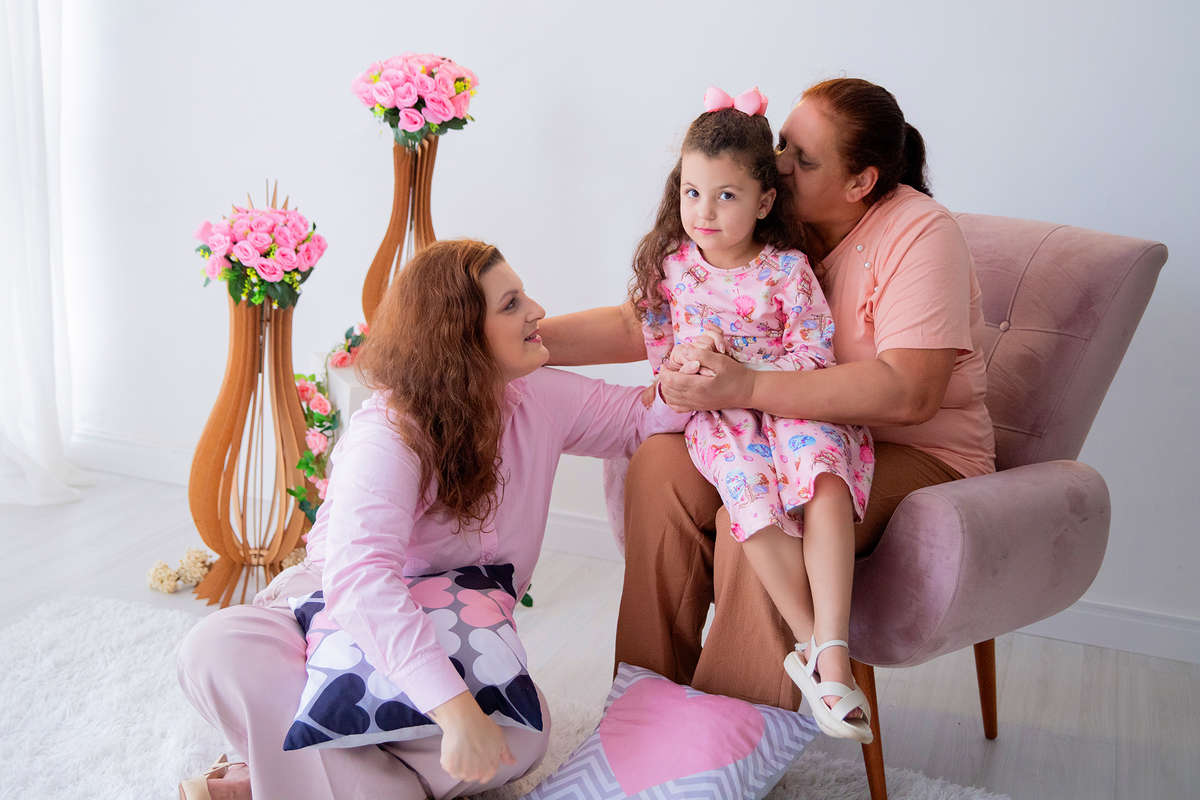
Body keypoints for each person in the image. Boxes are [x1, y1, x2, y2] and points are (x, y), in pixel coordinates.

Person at [540, 77, 995, 716]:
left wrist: (746, 384)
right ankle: (640, 713)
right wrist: (519, 342)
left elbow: (910, 392)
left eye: (802, 159)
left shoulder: (921, 233)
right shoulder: (771, 222)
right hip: (771, 426)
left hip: (914, 451)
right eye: (783, 143)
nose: (777, 163)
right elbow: (643, 319)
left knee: (770, 513)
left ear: (860, 183)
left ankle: (731, 739)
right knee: (658, 468)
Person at [177, 239, 689, 800]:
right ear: (461, 335)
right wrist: (454, 710)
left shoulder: (537, 396)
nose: (538, 312)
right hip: (328, 622)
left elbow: (638, 421)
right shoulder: (390, 434)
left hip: (452, 637)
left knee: (524, 734)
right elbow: (360, 582)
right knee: (218, 647)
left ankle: (272, 777)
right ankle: (363, 784)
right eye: (512, 304)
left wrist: (699, 370)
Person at [625, 86, 875, 742]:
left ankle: (832, 651)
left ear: (764, 201)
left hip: (791, 404)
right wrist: (684, 369)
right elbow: (663, 357)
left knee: (823, 474)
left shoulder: (787, 270)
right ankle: (814, 648)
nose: (703, 212)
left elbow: (813, 355)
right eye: (692, 192)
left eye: (726, 195)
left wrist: (743, 370)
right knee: (750, 499)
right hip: (723, 420)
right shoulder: (671, 270)